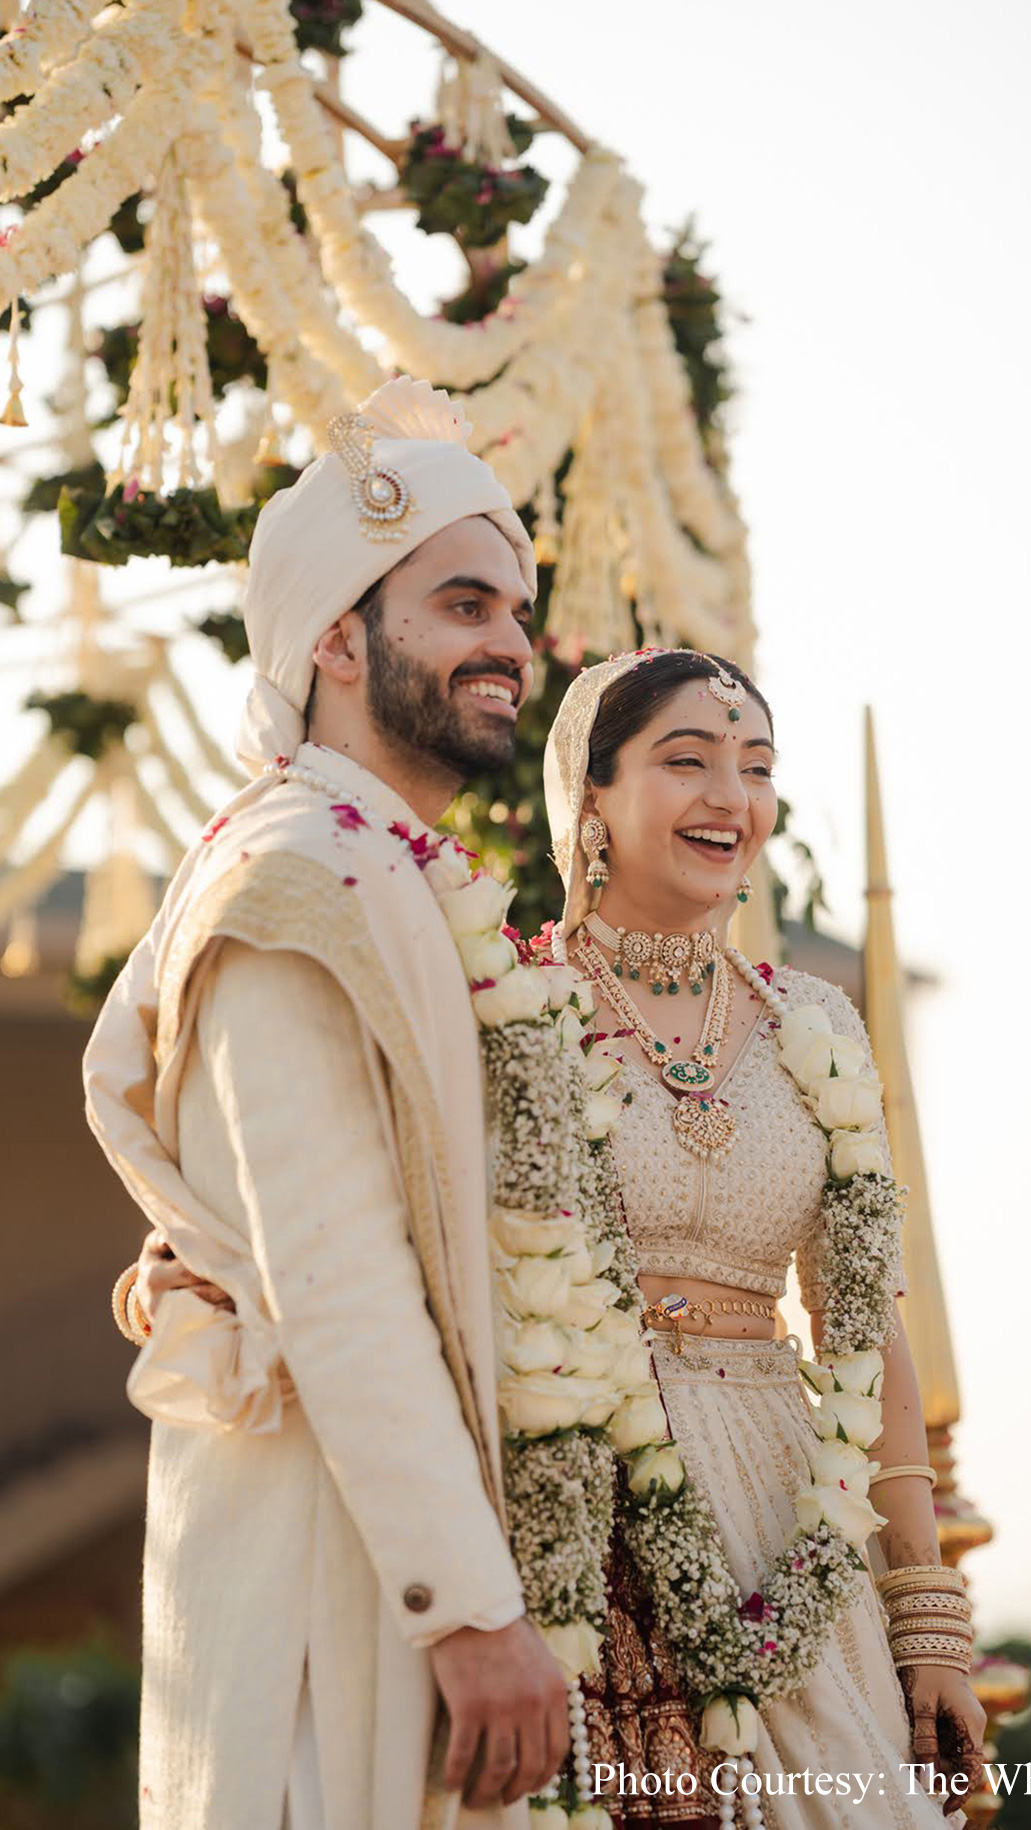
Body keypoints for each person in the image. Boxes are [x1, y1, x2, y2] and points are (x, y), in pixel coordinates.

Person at [117, 632, 989, 1825]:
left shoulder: (816, 1025)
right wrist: (208, 1250)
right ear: (592, 796)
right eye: (686, 761)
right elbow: (370, 1211)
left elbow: (862, 1328)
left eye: (756, 767)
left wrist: (926, 1619)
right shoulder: (500, 1009)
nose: (729, 798)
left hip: (791, 1527)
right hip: (569, 1502)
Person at [85, 376, 572, 1830]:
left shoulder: (377, 866)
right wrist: (465, 1603)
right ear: (339, 641)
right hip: (329, 1579)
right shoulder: (294, 876)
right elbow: (336, 1265)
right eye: (464, 604)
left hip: (392, 1560)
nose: (511, 644)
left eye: (518, 612)